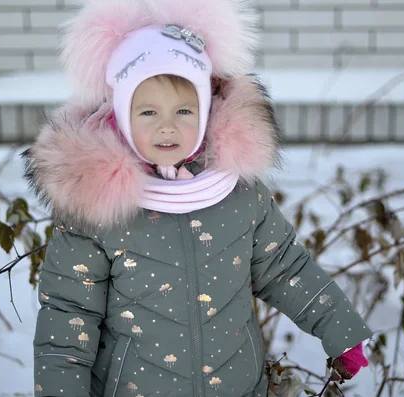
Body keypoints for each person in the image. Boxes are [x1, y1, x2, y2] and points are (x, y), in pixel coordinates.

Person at [23, 0, 372, 396]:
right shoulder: (99, 208)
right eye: (149, 112)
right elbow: (69, 314)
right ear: (120, 113)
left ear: (206, 110)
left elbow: (284, 267)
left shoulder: (237, 192)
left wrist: (340, 329)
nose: (167, 127)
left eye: (184, 110)